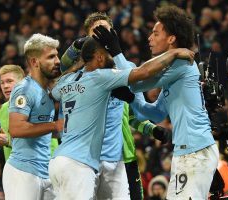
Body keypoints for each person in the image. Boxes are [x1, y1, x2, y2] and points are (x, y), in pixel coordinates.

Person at [93, 5, 219, 200]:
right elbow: (154, 114)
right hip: (187, 151)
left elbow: (138, 81)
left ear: (171, 38)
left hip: (194, 151)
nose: (149, 38)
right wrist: (131, 99)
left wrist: (116, 50)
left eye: (155, 33)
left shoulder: (182, 63)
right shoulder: (173, 70)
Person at [49, 36, 194, 199]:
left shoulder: (66, 81)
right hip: (78, 163)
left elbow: (55, 87)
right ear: (100, 57)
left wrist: (78, 64)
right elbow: (144, 72)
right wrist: (173, 53)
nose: (113, 58)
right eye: (109, 54)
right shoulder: (101, 77)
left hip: (60, 160)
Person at [60, 12, 163, 199]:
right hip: (84, 157)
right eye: (95, 33)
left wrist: (152, 130)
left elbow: (135, 115)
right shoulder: (79, 75)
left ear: (113, 33)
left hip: (122, 155)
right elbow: (61, 68)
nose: (102, 36)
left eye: (105, 30)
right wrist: (77, 45)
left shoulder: (127, 68)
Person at [3, 33, 63, 200]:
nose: (57, 61)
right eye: (51, 57)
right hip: (23, 172)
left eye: (57, 55)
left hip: (44, 171)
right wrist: (55, 125)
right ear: (35, 62)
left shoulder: (46, 88)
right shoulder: (25, 89)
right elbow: (16, 128)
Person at [0, 65, 59, 161]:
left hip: (42, 168)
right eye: (2, 83)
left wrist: (9, 141)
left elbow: (44, 143)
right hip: (14, 171)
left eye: (9, 81)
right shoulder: (1, 110)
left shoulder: (38, 103)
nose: (5, 86)